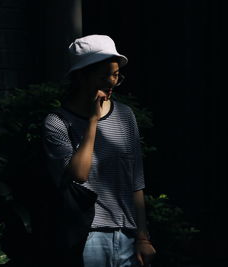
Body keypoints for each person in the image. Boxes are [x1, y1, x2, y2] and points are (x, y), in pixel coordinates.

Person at [42, 34, 156, 267]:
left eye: (115, 74)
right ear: (82, 76)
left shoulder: (125, 116)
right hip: (87, 237)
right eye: (104, 75)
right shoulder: (57, 122)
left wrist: (143, 236)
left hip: (127, 234)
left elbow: (136, 180)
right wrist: (93, 122)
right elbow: (79, 174)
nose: (111, 82)